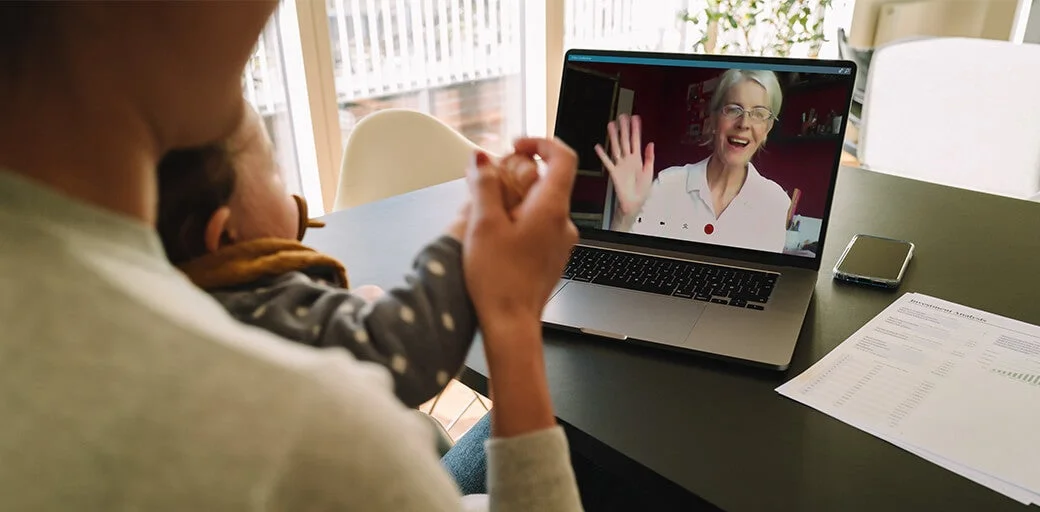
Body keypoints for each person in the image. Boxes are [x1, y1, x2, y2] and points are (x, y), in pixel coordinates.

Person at [0, 2, 582, 511]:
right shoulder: (307, 431)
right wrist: (508, 313)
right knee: (574, 441)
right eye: (278, 172)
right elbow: (399, 356)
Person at [595, 69, 792, 253]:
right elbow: (625, 262)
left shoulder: (776, 203)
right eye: (733, 109)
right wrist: (625, 214)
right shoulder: (668, 183)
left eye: (759, 114)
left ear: (767, 128)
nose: (744, 124)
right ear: (714, 119)